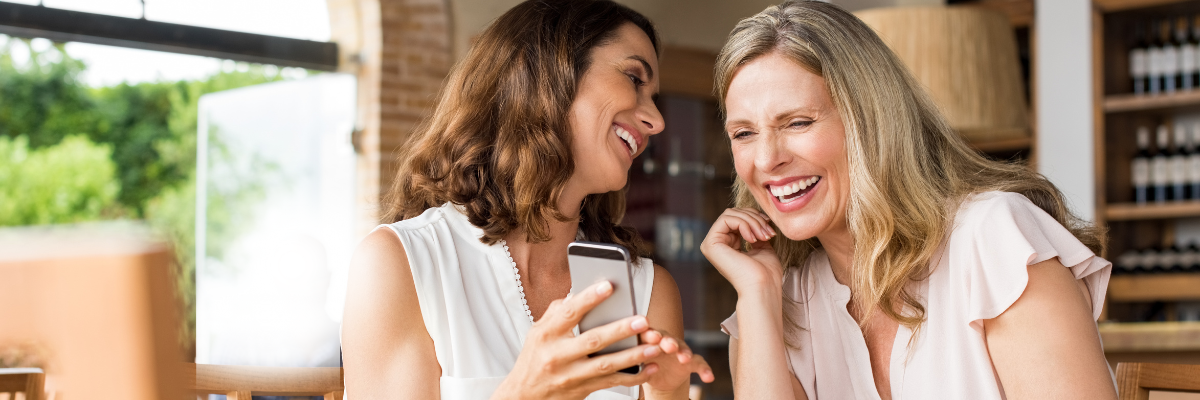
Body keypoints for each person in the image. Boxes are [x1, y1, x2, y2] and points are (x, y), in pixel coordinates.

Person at [700, 1, 1117, 399]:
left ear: (872, 121)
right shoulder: (778, 301)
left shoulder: (992, 240)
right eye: (743, 134)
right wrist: (757, 293)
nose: (768, 159)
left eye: (797, 122)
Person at [340, 1, 714, 399]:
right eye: (634, 78)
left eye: (653, 96)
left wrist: (669, 393)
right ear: (548, 72)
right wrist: (524, 392)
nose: (656, 121)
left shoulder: (648, 291)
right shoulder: (403, 265)